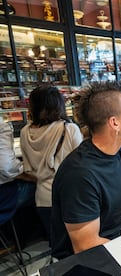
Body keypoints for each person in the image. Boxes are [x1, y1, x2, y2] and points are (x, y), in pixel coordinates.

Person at [51, 82, 121, 260]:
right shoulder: (80, 175)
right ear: (114, 123)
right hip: (82, 262)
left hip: (113, 243)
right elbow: (85, 245)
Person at [20, 85, 82, 241]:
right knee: (80, 245)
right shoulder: (70, 129)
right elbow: (83, 166)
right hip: (71, 196)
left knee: (57, 245)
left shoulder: (24, 132)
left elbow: (28, 170)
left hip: (43, 199)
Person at [0, 122, 36, 210]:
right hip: (3, 196)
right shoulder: (2, 126)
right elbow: (7, 167)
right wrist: (32, 177)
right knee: (43, 188)